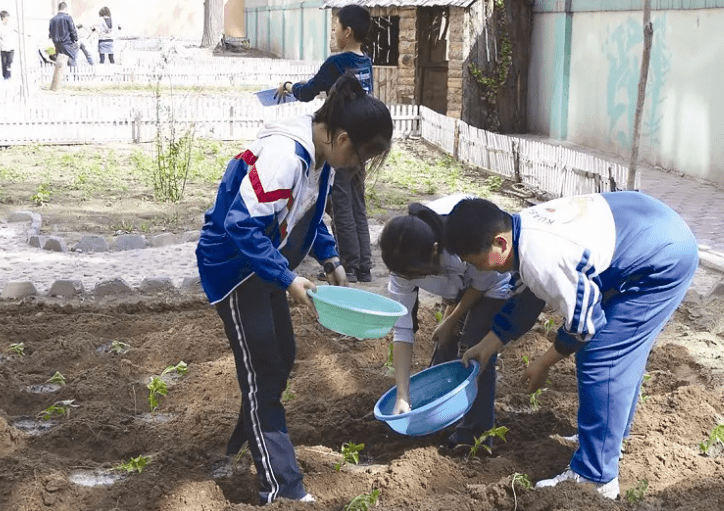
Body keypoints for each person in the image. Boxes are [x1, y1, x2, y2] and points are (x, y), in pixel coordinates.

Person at [196, 73, 393, 505]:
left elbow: (305, 210)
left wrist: (330, 257)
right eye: (360, 157)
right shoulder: (287, 155)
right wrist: (287, 279)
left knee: (281, 357)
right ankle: (281, 489)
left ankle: (253, 428)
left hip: (266, 262)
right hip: (235, 266)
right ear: (342, 138)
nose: (356, 166)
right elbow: (240, 225)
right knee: (264, 372)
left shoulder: (319, 152)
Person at [443, 192, 699, 499]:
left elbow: (583, 326)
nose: (481, 271)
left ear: (499, 243)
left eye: (477, 262)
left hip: (663, 259)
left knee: (603, 355)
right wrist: (487, 345)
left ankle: (595, 476)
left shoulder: (543, 256)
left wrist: (543, 363)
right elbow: (527, 298)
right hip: (648, 232)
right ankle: (610, 439)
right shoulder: (520, 231)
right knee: (615, 353)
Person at [379, 194, 545, 448]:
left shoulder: (461, 243)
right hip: (463, 285)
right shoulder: (403, 261)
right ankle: (439, 418)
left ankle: (476, 435)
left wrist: (453, 318)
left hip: (492, 278)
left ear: (435, 253)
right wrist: (402, 395)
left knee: (474, 348)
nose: (412, 278)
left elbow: (481, 282)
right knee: (445, 347)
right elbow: (403, 332)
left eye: (419, 274)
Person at [276, 4, 374, 283]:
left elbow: (308, 92)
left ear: (348, 32)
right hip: (362, 142)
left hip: (342, 143)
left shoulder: (336, 63)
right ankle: (364, 265)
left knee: (340, 202)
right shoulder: (365, 62)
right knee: (357, 202)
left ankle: (349, 265)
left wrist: (288, 86)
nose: (334, 33)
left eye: (336, 28)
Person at [48, 2, 78, 67]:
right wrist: (75, 39)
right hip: (67, 43)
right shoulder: (68, 18)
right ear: (65, 8)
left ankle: (62, 76)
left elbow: (50, 33)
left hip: (57, 44)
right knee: (71, 60)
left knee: (60, 62)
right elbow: (72, 30)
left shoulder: (52, 20)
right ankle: (75, 76)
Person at [0, 11, 16, 80]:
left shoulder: (10, 26)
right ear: (3, 18)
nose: (8, 19)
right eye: (6, 18)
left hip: (11, 47)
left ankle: (9, 76)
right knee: (4, 63)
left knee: (10, 62)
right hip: (3, 48)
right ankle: (5, 77)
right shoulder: (1, 27)